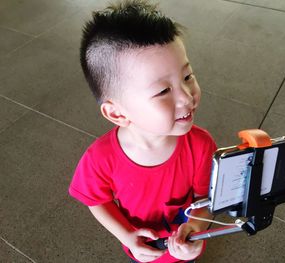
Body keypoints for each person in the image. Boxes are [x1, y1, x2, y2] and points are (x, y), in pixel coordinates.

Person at [69, 1, 217, 262]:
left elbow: (205, 201)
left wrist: (195, 230)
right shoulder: (100, 159)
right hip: (143, 251)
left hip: (184, 248)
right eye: (162, 91)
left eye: (187, 76)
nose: (186, 97)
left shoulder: (201, 146)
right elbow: (95, 200)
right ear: (117, 113)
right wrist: (126, 235)